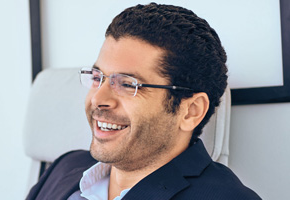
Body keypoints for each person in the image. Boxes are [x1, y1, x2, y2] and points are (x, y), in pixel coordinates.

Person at [26, 3, 261, 200]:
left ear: (190, 111)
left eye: (128, 84)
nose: (98, 98)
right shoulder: (64, 167)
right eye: (98, 77)